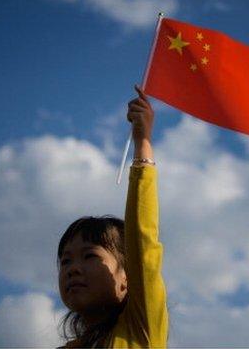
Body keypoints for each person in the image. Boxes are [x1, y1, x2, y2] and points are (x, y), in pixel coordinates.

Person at [56, 85, 167, 348]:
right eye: (65, 260)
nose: (72, 269)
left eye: (90, 255)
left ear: (127, 278)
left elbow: (143, 242)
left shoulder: (141, 329)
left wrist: (143, 142)